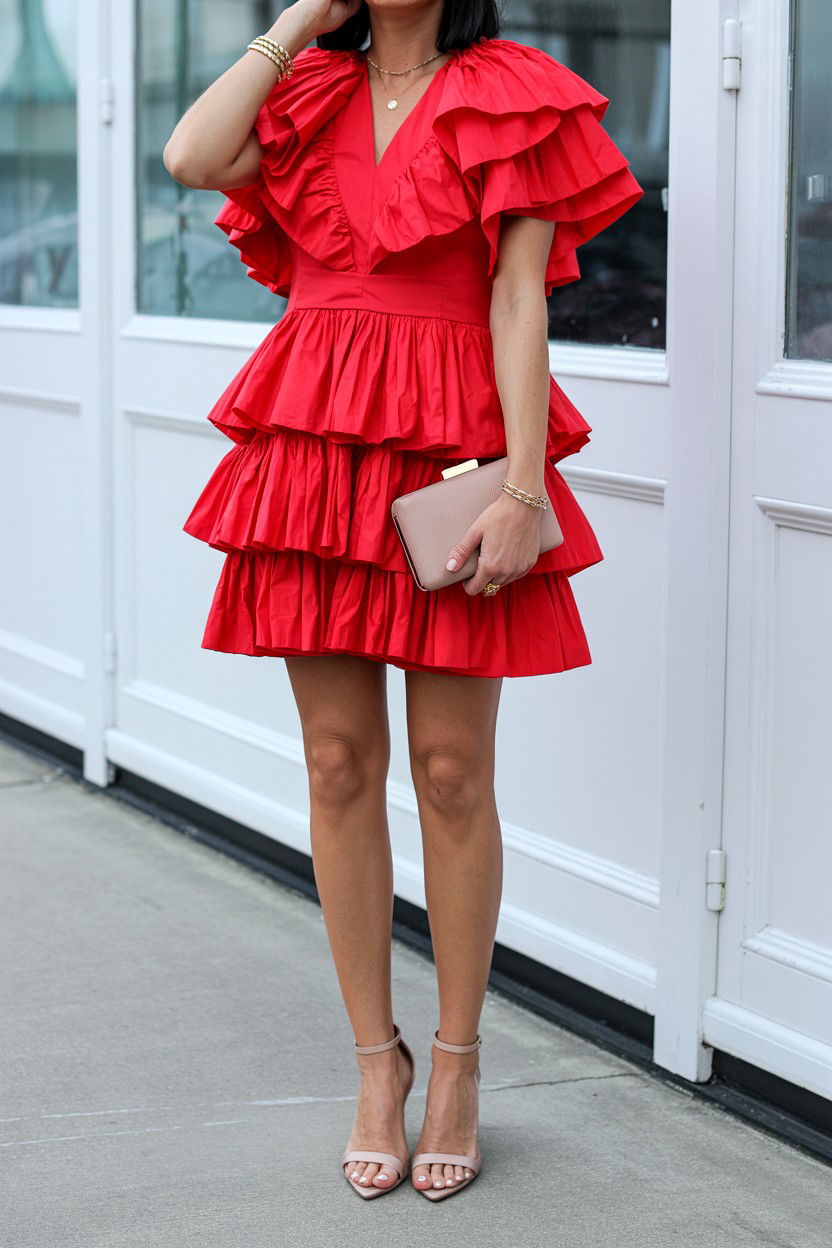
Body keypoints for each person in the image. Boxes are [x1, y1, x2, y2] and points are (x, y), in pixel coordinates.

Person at [164, 0, 643, 1202]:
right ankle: (374, 1066)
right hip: (314, 439)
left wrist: (526, 489)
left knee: (449, 771)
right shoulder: (307, 87)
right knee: (334, 760)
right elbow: (188, 157)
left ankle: (459, 1064)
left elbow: (519, 298)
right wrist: (295, 22)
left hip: (450, 448)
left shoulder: (511, 89)